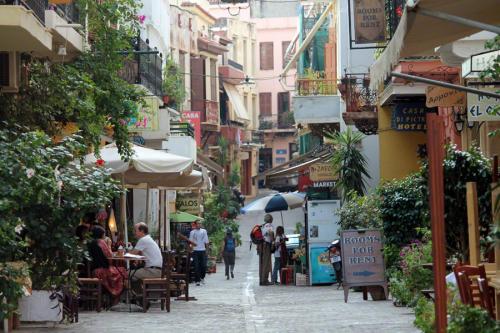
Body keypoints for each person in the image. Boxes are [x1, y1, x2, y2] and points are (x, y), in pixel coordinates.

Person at [87, 226, 126, 304]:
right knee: (123, 272)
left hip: (94, 270)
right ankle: (115, 298)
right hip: (103, 271)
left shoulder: (89, 242)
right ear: (101, 234)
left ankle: (111, 297)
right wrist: (108, 245)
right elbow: (109, 256)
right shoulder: (101, 242)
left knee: (119, 271)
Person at [189, 220, 209, 286]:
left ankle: (202, 277)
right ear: (195, 225)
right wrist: (191, 248)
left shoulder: (204, 231)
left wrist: (207, 250)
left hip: (202, 250)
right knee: (196, 266)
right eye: (198, 224)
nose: (199, 225)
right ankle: (197, 280)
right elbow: (190, 242)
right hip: (195, 251)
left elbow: (206, 241)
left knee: (203, 265)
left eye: (200, 224)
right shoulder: (192, 232)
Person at [258, 214, 274, 286]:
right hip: (266, 246)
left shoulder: (262, 226)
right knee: (266, 263)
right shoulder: (269, 225)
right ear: (271, 219)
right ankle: (265, 280)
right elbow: (270, 233)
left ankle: (261, 280)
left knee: (261, 263)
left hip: (260, 246)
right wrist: (272, 241)